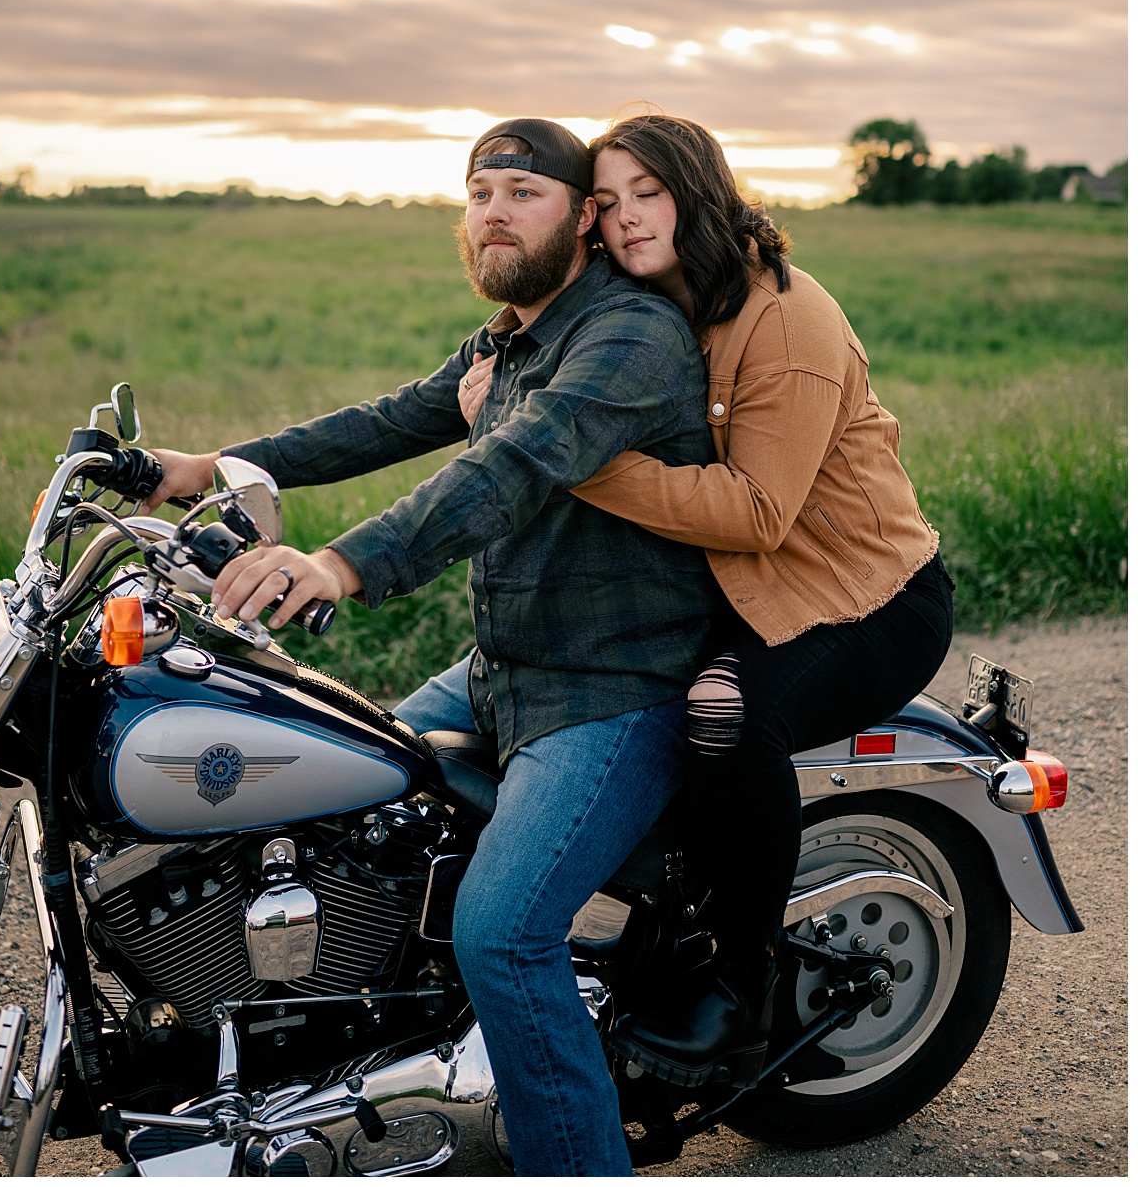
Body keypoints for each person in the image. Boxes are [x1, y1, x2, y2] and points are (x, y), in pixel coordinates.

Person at [143, 117, 723, 1177]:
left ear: (586, 220)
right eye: (479, 191)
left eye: (525, 191)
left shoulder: (631, 336)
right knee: (352, 811)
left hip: (614, 689)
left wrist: (340, 564)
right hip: (506, 670)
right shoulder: (509, 336)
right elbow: (384, 421)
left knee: (502, 933)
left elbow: (509, 468)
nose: (494, 210)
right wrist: (210, 466)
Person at [458, 113, 954, 1093]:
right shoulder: (646, 305)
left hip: (867, 595)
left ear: (702, 192)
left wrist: (562, 462)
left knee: (724, 712)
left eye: (652, 192)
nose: (629, 218)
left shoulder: (786, 315)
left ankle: (742, 985)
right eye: (607, 202)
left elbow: (760, 511)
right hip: (750, 588)